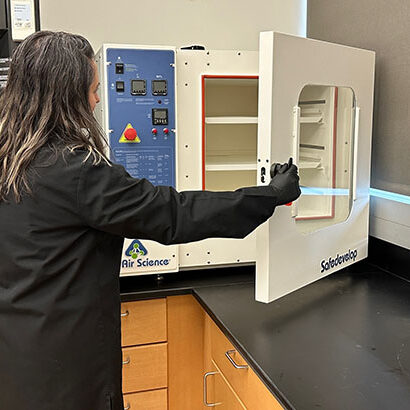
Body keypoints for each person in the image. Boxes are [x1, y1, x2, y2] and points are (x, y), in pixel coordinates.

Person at [0, 31, 301, 410]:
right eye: (92, 90)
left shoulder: (11, 158)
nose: (96, 100)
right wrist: (271, 194)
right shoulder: (74, 171)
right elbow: (172, 213)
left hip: (16, 357)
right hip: (67, 372)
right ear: (65, 95)